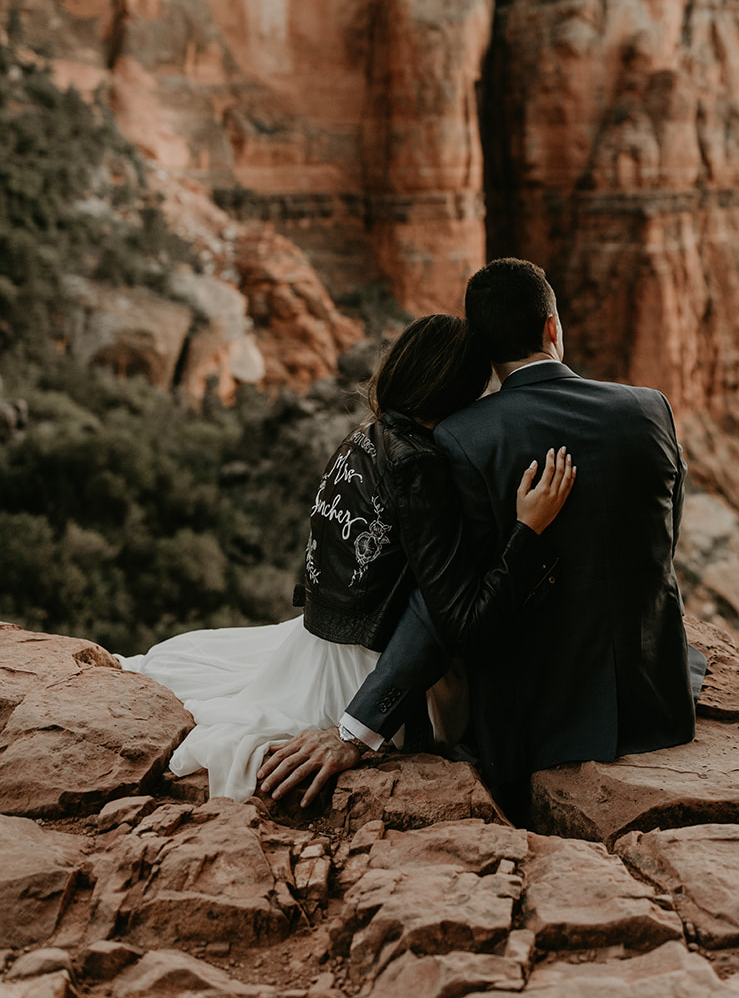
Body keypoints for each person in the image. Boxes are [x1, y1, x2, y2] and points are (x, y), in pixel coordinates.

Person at [120, 314, 575, 804]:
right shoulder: (422, 464)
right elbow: (458, 621)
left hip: (326, 642)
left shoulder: (370, 433)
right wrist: (529, 530)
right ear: (462, 391)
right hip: (373, 680)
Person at [341, 258, 703, 816]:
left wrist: (363, 724)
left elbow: (441, 602)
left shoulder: (463, 437)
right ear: (552, 327)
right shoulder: (649, 407)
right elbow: (663, 543)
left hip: (540, 717)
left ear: (484, 352)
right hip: (656, 695)